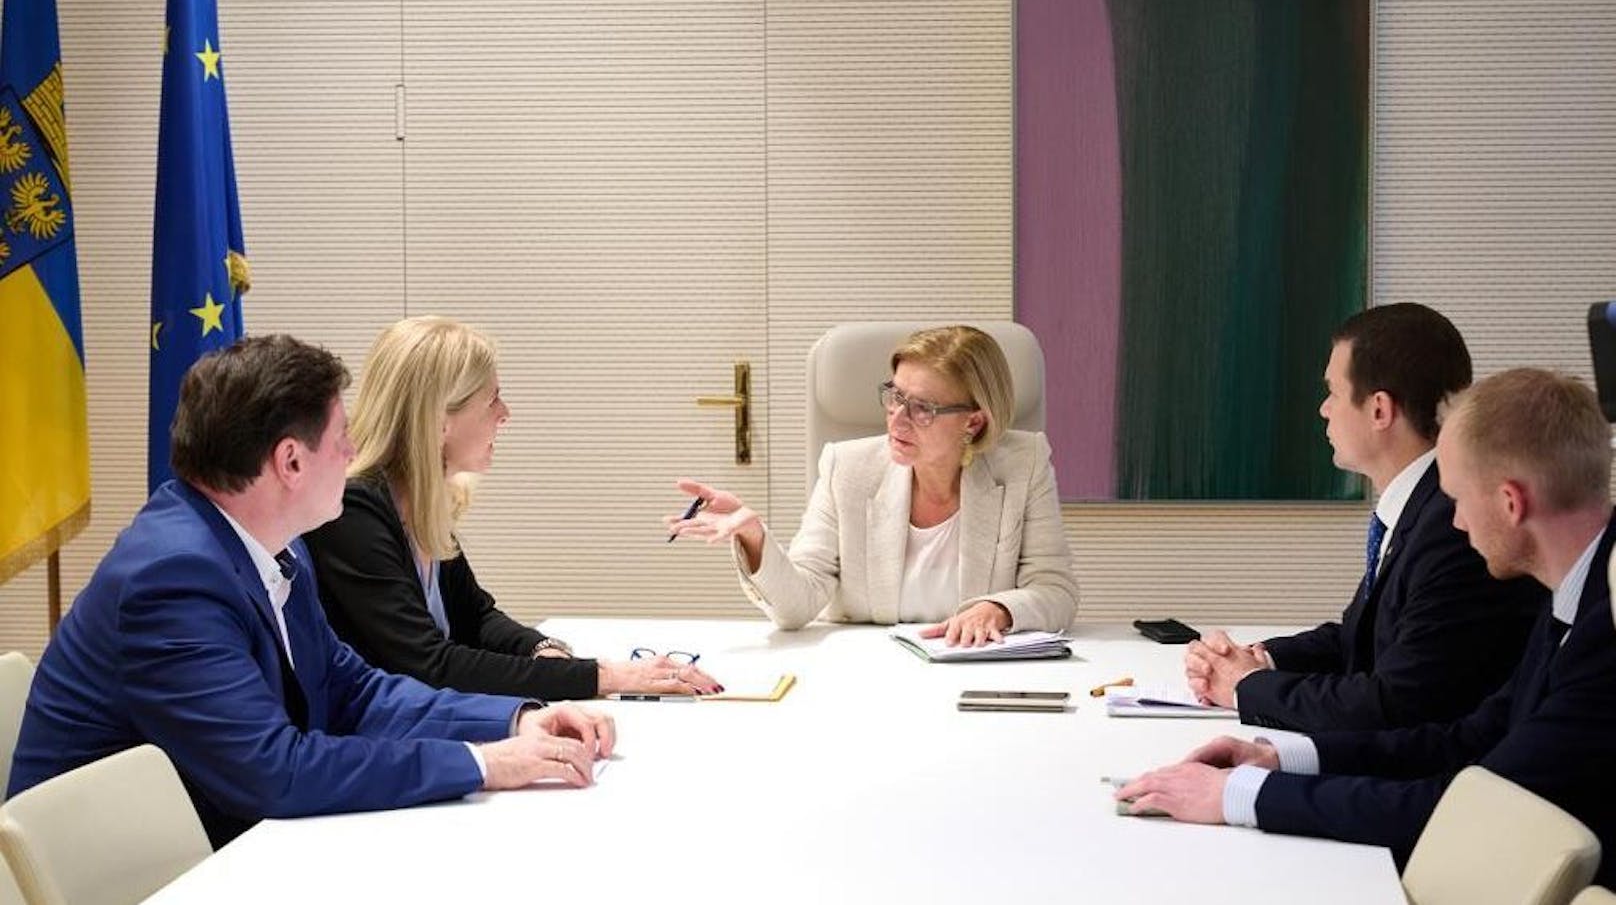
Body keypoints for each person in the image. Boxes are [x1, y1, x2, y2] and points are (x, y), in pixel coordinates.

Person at [7, 335, 616, 848]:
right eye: (343, 436)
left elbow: (351, 689)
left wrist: (512, 721)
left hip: (217, 834)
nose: (354, 453)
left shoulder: (276, 542)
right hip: (141, 871)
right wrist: (482, 763)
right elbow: (276, 772)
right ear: (291, 462)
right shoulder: (172, 580)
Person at [1119, 369, 1616, 885]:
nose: (1458, 524)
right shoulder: (1578, 590)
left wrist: (1239, 796)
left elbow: (1473, 809)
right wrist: (1278, 759)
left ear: (1511, 504)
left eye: (1460, 500)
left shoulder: (1606, 633)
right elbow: (1467, 739)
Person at [304, 316, 719, 699]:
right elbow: (429, 665)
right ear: (438, 420)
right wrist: (602, 676)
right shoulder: (354, 511)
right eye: (493, 400)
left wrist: (541, 649)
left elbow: (476, 617)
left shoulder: (421, 499)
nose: (506, 414)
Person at [1185, 303, 1541, 731]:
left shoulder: (1453, 525)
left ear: (1379, 410)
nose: (1324, 409)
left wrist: (1248, 686)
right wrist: (1259, 659)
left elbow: (1395, 703)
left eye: (1333, 392)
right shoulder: (1421, 505)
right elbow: (1362, 641)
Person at [667, 325, 1079, 644]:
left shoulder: (1025, 464)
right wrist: (754, 535)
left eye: (922, 409)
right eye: (895, 396)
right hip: (868, 672)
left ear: (973, 421)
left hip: (976, 672)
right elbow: (797, 607)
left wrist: (999, 610)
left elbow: (1055, 590)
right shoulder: (846, 468)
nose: (897, 418)